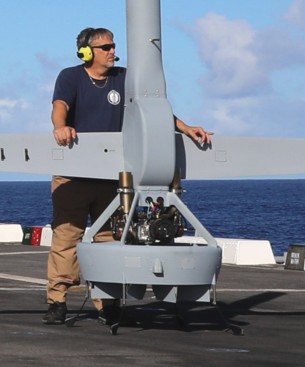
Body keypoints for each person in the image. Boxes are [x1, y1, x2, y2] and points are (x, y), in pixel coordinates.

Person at [45, 26, 214, 324]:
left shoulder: (125, 79)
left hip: (114, 177)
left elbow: (154, 112)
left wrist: (186, 128)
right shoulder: (70, 77)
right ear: (87, 52)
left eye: (113, 46)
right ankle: (57, 300)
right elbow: (60, 106)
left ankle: (107, 301)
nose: (112, 51)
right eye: (105, 47)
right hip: (74, 175)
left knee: (110, 239)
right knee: (66, 236)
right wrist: (60, 127)